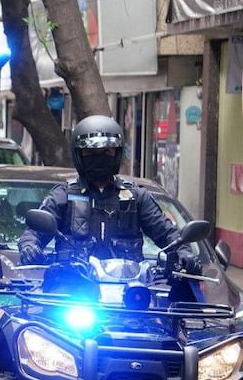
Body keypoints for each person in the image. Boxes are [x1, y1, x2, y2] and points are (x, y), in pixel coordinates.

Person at [17, 114, 200, 273]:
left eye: (107, 151)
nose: (99, 157)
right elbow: (34, 232)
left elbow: (167, 233)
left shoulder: (135, 198)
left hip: (126, 290)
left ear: (117, 154)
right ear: (79, 155)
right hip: (71, 289)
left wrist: (184, 253)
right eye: (90, 152)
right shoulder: (63, 196)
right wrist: (29, 247)